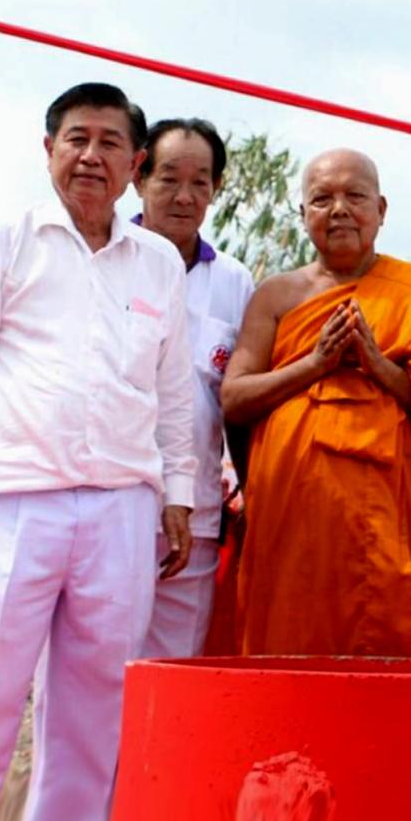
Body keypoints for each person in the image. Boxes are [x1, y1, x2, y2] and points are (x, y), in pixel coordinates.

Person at [0, 83, 196, 821]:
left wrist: (179, 495)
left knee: (93, 719)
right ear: (48, 150)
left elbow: (174, 392)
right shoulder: (2, 244)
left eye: (111, 142)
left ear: (136, 163)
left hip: (122, 507)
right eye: (77, 138)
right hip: (14, 499)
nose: (91, 156)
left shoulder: (157, 264)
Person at [223, 148, 411, 656]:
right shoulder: (277, 294)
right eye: (322, 199)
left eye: (354, 196)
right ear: (303, 214)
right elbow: (234, 398)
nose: (339, 209)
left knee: (386, 634)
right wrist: (316, 364)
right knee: (290, 639)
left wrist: (378, 365)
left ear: (380, 210)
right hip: (291, 506)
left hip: (384, 508)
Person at [132, 117, 255, 658]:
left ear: (217, 188)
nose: (184, 197)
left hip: (197, 513)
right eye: (168, 179)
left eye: (199, 182)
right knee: (93, 668)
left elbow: (238, 399)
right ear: (138, 176)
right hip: (112, 500)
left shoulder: (234, 281)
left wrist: (249, 488)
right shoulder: (105, 259)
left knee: (175, 667)